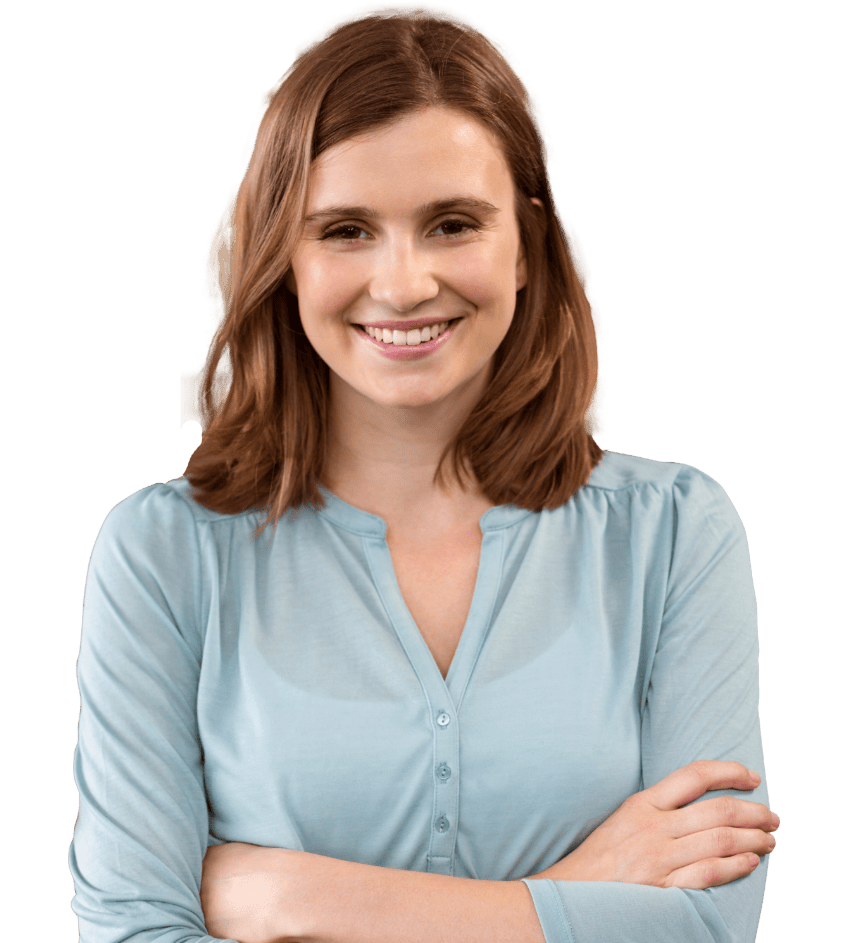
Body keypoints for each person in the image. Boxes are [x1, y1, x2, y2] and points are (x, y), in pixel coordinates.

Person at [69, 4, 777, 942]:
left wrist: (286, 896)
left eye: (450, 224)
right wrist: (576, 891)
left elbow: (707, 927)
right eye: (344, 230)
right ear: (282, 255)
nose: (402, 285)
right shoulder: (161, 554)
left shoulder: (675, 531)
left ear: (524, 244)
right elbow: (134, 930)